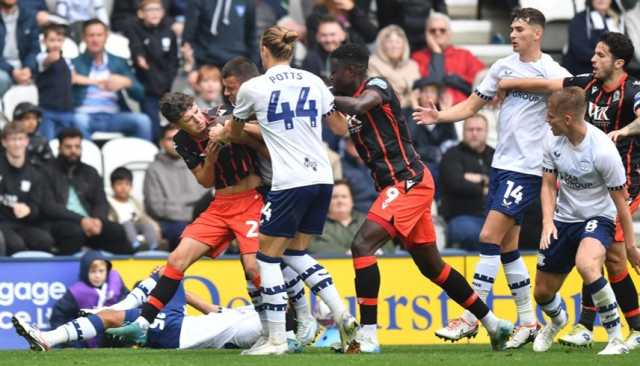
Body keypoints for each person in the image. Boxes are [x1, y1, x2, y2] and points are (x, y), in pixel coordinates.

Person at [108, 57, 319, 351]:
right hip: (221, 203)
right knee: (176, 260)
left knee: (253, 267)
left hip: (250, 199)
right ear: (176, 125)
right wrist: (212, 154)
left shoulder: (223, 114)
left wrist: (233, 131)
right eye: (188, 119)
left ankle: (285, 330)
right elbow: (206, 181)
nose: (197, 119)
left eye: (195, 111)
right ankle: (142, 324)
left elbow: (264, 135)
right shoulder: (182, 141)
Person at [330, 42, 513, 354]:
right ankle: (494, 324)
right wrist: (324, 103)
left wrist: (325, 95)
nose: (331, 77)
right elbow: (340, 128)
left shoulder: (376, 86)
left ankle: (369, 335)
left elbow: (360, 107)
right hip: (397, 186)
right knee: (432, 267)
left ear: (351, 70)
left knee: (361, 245)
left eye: (335, 71)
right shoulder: (348, 97)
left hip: (407, 181)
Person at [412, 8, 572, 348]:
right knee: (507, 248)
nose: (512, 34)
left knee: (487, 236)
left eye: (519, 29)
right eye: (511, 28)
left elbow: (569, 90)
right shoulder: (501, 67)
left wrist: (514, 85)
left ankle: (472, 316)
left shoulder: (554, 70)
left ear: (537, 33)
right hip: (502, 165)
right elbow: (471, 106)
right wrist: (440, 116)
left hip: (529, 170)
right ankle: (528, 319)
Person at [496, 31, 640, 350]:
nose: (593, 58)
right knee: (600, 260)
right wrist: (509, 84)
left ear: (618, 62)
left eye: (600, 55)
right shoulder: (586, 85)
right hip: (580, 179)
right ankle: (587, 325)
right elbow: (550, 86)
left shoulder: (633, 91)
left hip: (625, 180)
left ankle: (624, 327)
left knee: (608, 256)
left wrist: (623, 131)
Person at [229, 26, 358, 355]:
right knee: (295, 254)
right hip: (322, 177)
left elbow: (235, 131)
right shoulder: (313, 81)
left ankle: (275, 339)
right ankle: (342, 314)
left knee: (266, 258)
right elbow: (341, 128)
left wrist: (223, 134)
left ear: (263, 50)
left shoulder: (252, 88)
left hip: (290, 181)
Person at [533, 87, 633, 355]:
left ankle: (615, 339)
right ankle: (557, 321)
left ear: (567, 118)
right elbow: (547, 184)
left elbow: (621, 204)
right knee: (542, 293)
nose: (546, 120)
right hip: (563, 219)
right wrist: (547, 222)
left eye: (550, 116)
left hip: (598, 217)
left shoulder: (602, 150)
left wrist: (631, 247)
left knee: (587, 265)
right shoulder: (551, 140)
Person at [13, 267, 303, 352]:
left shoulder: (264, 329)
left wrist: (293, 337)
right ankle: (48, 339)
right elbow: (209, 309)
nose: (274, 297)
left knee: (168, 272)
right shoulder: (251, 316)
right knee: (110, 318)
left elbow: (285, 341)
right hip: (177, 328)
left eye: (283, 301)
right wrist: (196, 301)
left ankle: (126, 311)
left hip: (179, 333)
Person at [42, 128, 133, 255]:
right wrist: (81, 220)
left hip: (90, 223)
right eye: (68, 147)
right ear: (59, 148)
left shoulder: (90, 172)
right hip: (61, 222)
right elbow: (50, 207)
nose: (73, 151)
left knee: (116, 230)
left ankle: (120, 270)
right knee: (74, 232)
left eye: (77, 147)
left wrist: (97, 220)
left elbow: (101, 202)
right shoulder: (47, 172)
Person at [72, 19, 152, 141]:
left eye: (99, 35)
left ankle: (144, 159)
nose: (95, 40)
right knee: (77, 120)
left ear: (106, 37)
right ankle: (89, 158)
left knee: (143, 121)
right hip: (85, 115)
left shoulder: (118, 62)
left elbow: (140, 94)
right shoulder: (74, 63)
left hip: (114, 115)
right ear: (84, 38)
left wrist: (127, 82)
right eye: (91, 35)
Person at [143, 124, 207, 251]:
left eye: (177, 138)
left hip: (199, 219)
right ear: (161, 143)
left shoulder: (196, 163)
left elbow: (207, 196)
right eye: (169, 139)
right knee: (185, 232)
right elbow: (156, 208)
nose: (174, 143)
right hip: (171, 222)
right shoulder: (153, 169)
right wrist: (190, 215)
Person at [48, 250, 127, 348]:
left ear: (107, 271)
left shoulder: (115, 284)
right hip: (84, 341)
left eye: (101, 271)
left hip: (114, 339)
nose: (97, 276)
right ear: (85, 272)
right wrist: (69, 344)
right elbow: (58, 316)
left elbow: (128, 303)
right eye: (93, 271)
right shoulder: (76, 292)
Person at [439, 114, 494, 250]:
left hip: (493, 217)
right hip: (462, 216)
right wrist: (484, 186)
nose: (474, 133)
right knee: (471, 233)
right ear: (463, 132)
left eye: (479, 129)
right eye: (470, 130)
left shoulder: (496, 155)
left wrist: (480, 180)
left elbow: (500, 183)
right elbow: (455, 184)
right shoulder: (452, 155)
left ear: (486, 132)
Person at [128, 0, 179, 141]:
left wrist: (169, 80)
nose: (154, 13)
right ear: (141, 13)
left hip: (167, 86)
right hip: (147, 88)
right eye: (150, 9)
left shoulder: (169, 32)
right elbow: (135, 47)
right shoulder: (134, 29)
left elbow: (174, 60)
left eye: (157, 9)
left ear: (163, 12)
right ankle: (155, 149)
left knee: (174, 124)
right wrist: (139, 58)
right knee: (152, 126)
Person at [0, 122, 54, 255]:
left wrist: (28, 210)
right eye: (13, 139)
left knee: (45, 240)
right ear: (4, 142)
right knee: (14, 244)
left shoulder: (35, 174)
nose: (17, 144)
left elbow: (35, 207)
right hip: (1, 223)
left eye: (20, 139)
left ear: (26, 141)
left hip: (22, 224)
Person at [411, 12, 485, 106]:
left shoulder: (464, 55)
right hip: (429, 111)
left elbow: (482, 79)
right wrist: (437, 52)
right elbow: (432, 80)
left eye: (442, 30)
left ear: (450, 33)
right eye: (432, 30)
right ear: (426, 34)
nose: (437, 33)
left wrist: (459, 79)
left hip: (463, 110)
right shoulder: (418, 57)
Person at [309, 179, 390, 255]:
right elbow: (314, 247)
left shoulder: (369, 221)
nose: (340, 201)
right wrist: (347, 253)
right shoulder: (317, 225)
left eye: (344, 196)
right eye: (334, 197)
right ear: (327, 201)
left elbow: (387, 245)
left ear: (352, 201)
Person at [35, 23, 77, 141]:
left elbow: (74, 78)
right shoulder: (41, 57)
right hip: (48, 111)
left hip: (67, 110)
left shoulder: (67, 61)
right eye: (52, 40)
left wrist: (97, 81)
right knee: (47, 141)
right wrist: (54, 55)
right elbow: (49, 59)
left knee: (67, 142)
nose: (56, 44)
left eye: (59, 40)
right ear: (44, 41)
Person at [564, 0, 624, 75]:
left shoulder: (616, 19)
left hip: (610, 70)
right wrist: (609, 59)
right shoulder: (579, 19)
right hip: (583, 70)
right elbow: (581, 52)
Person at [368, 25, 420, 110]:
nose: (394, 46)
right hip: (383, 112)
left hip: (409, 111)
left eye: (398, 42)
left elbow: (416, 93)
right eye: (389, 42)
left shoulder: (412, 66)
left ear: (404, 45)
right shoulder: (372, 63)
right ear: (382, 45)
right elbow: (379, 93)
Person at [108, 167, 161, 251]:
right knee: (127, 224)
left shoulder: (134, 202)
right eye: (119, 184)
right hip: (119, 230)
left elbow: (143, 217)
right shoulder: (108, 202)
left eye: (127, 184)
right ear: (112, 186)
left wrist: (155, 226)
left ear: (131, 186)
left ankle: (154, 248)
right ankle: (136, 247)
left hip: (136, 227)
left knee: (147, 226)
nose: (123, 187)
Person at [0, 0, 39, 96]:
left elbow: (34, 49)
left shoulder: (29, 15)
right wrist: (11, 70)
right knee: (2, 79)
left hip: (24, 67)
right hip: (3, 67)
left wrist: (28, 68)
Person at [302, 14, 347, 83]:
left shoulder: (353, 56)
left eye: (332, 34)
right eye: (324, 35)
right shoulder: (310, 59)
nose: (328, 40)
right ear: (317, 37)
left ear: (343, 35)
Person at [12, 102, 54, 166]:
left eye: (34, 118)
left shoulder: (41, 141)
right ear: (17, 120)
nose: (32, 123)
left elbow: (51, 165)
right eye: (27, 118)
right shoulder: (8, 140)